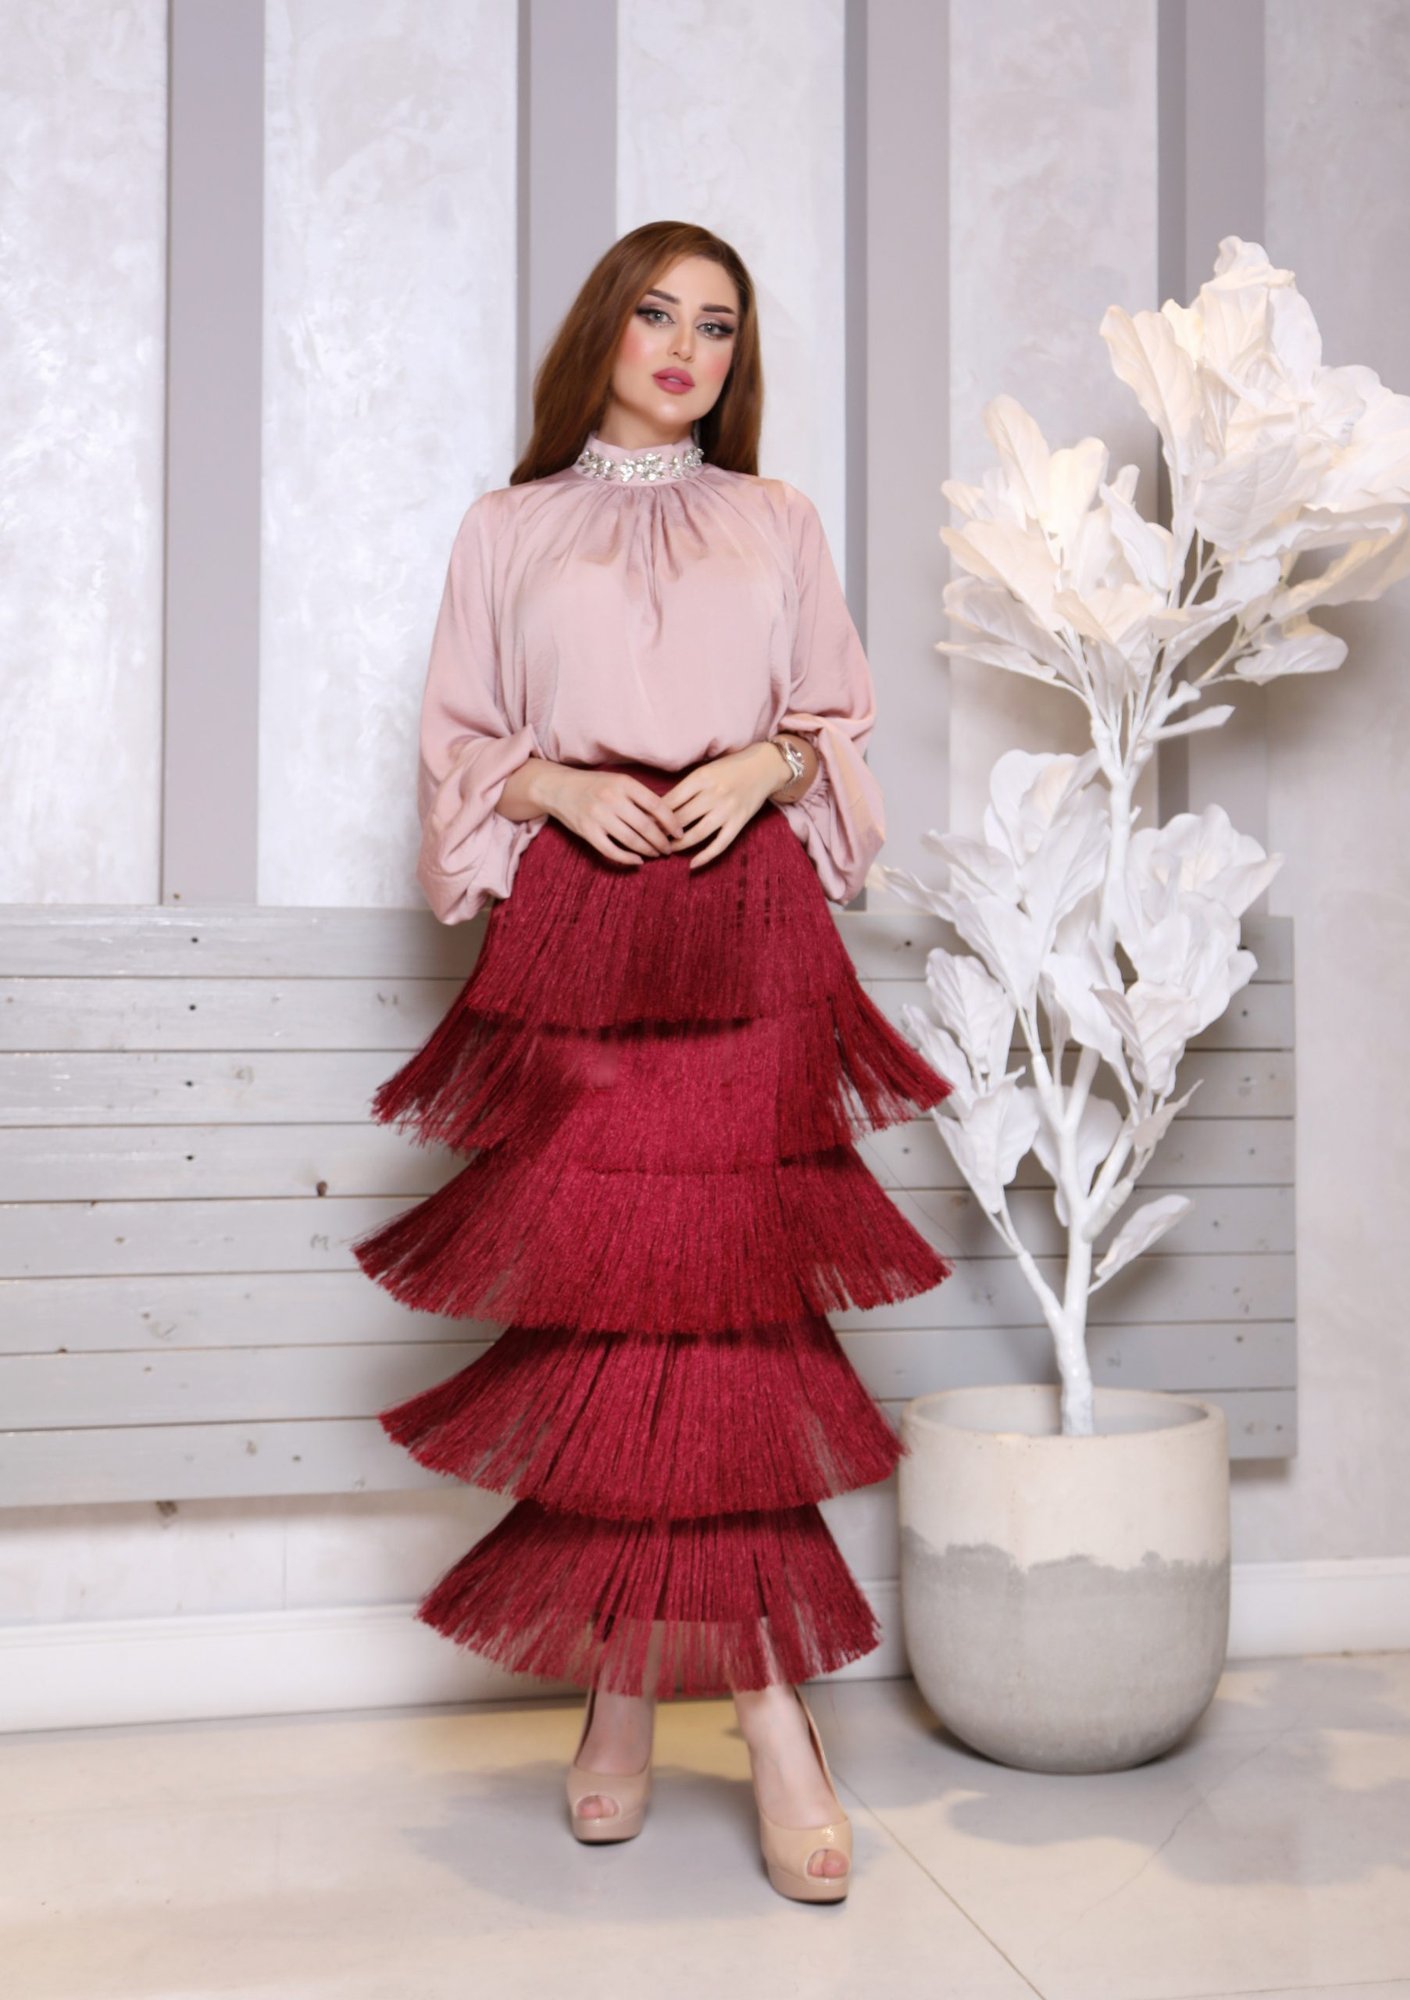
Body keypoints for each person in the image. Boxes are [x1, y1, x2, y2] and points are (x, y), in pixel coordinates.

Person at [352, 219, 954, 1905]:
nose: (686, 348)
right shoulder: (507, 526)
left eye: (719, 326)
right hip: (578, 931)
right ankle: (624, 1687)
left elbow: (838, 720)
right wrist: (552, 786)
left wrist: (774, 765)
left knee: (730, 1329)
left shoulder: (779, 518)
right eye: (657, 314)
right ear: (602, 334)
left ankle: (762, 1718)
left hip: (751, 930)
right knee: (622, 1324)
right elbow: (457, 739)